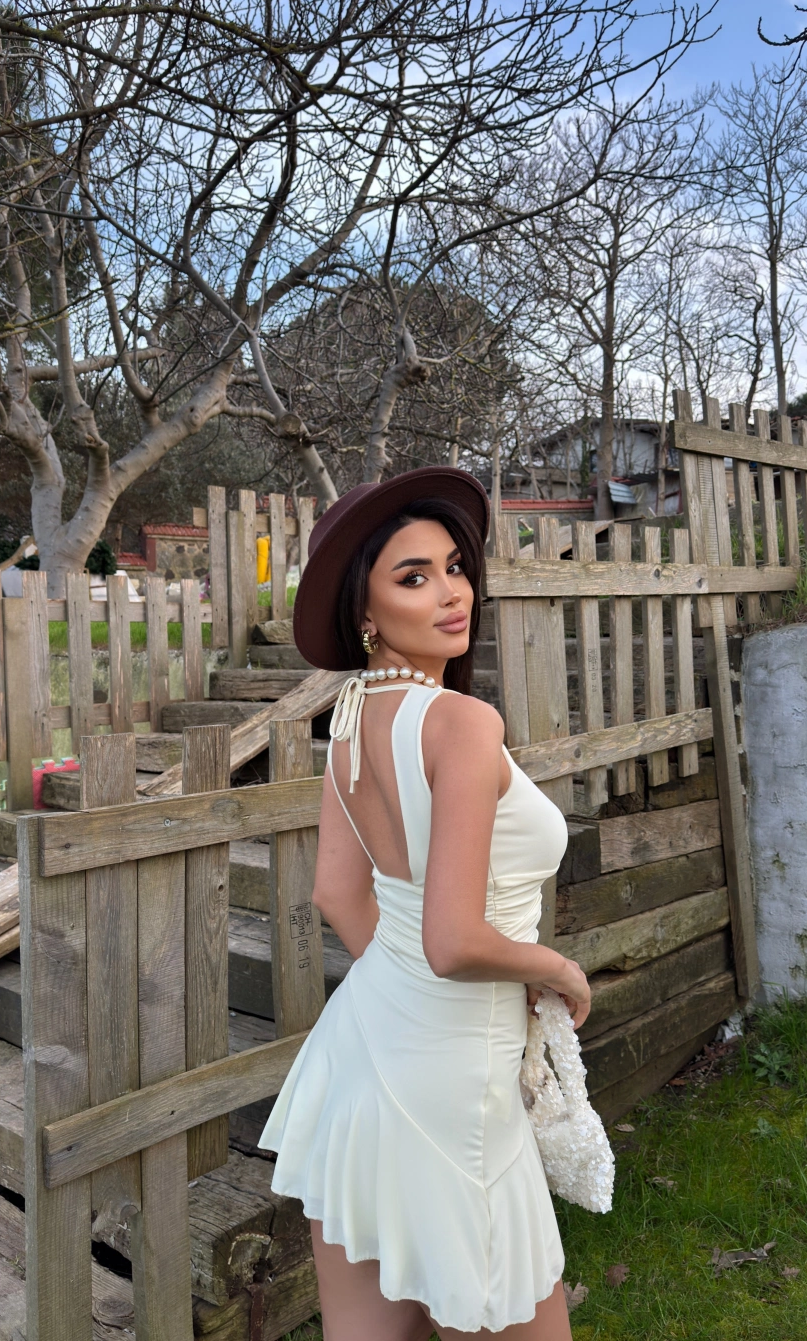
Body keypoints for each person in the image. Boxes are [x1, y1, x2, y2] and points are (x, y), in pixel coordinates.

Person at [259, 467, 591, 1340]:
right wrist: (556, 968)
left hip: (361, 1056)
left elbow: (339, 892)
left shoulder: (348, 721)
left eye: (454, 566)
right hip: (453, 1087)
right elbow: (453, 939)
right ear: (365, 613)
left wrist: (412, 993)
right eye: (414, 576)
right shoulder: (461, 724)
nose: (452, 592)